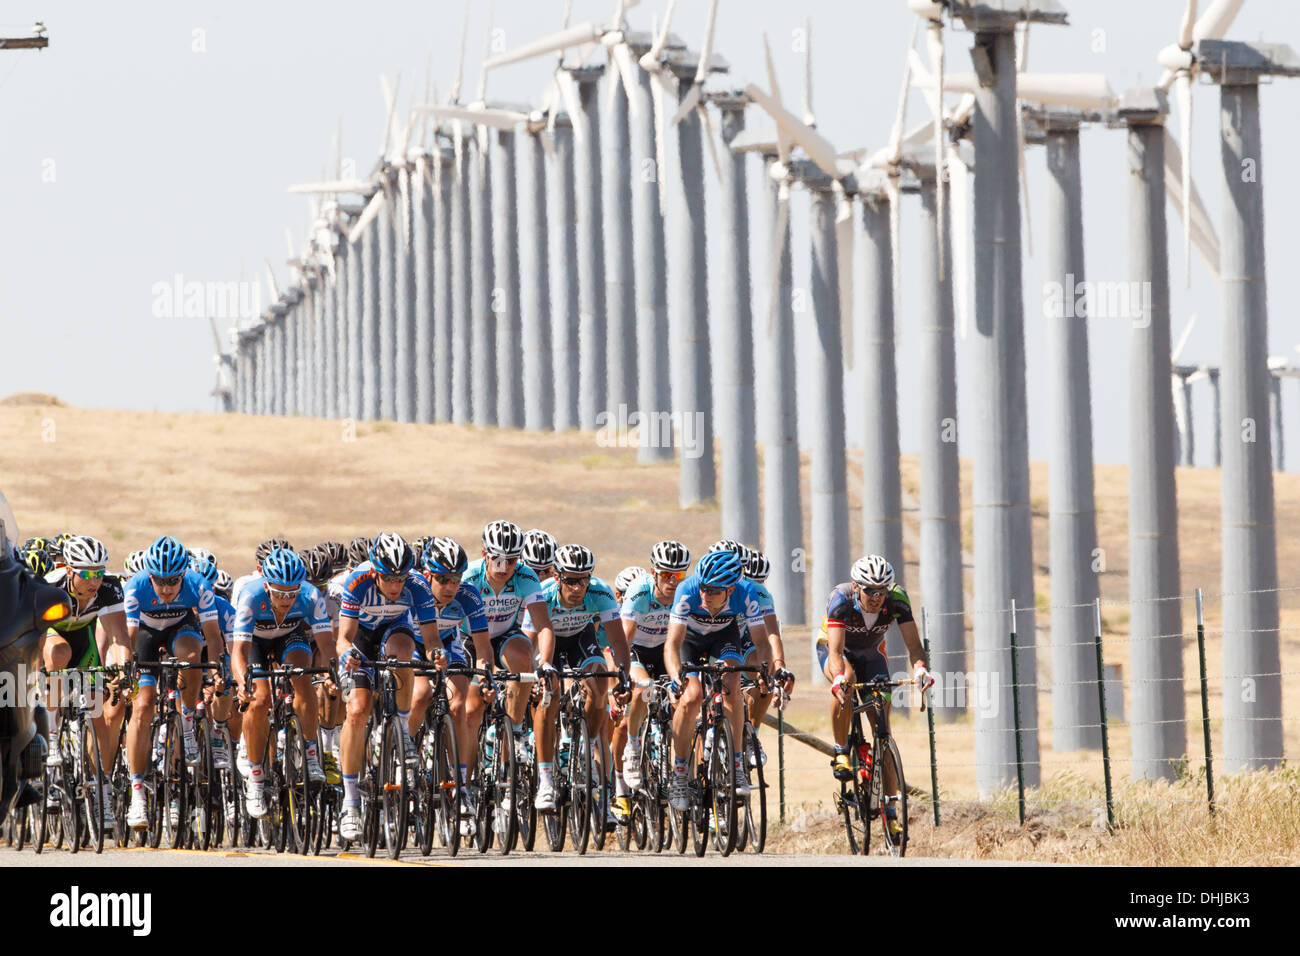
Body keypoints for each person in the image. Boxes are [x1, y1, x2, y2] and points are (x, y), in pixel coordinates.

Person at [334, 533, 443, 842]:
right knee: (357, 711)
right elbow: (344, 638)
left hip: (395, 631)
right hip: (362, 638)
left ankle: (400, 726)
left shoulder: (418, 585)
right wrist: (349, 655)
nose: (396, 586)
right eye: (389, 579)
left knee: (404, 653)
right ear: (375, 573)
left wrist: (437, 653)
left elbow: (431, 637)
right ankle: (351, 801)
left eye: (401, 579)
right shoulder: (358, 582)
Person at [821, 555, 932, 838]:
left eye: (882, 590)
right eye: (870, 590)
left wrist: (920, 670)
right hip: (838, 652)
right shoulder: (841, 599)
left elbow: (915, 647)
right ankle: (841, 749)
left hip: (871, 655)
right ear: (857, 587)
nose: (877, 597)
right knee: (848, 682)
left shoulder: (897, 600)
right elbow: (835, 652)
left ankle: (891, 810)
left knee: (884, 729)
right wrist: (837, 679)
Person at [123, 535, 225, 830]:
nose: (167, 589)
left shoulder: (198, 585)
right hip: (145, 633)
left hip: (181, 628)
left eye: (173, 581)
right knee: (142, 707)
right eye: (160, 582)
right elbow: (129, 640)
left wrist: (217, 670)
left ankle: (188, 720)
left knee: (193, 655)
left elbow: (213, 636)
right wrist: (127, 672)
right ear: (150, 576)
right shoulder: (135, 587)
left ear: (184, 575)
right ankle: (137, 793)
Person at [523, 543, 630, 811]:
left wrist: (624, 677)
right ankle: (546, 779)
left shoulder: (600, 592)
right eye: (571, 581)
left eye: (583, 580)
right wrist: (534, 676)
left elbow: (618, 641)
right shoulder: (542, 594)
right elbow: (528, 642)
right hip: (548, 643)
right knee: (551, 696)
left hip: (581, 639)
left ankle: (589, 745)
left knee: (599, 684)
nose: (577, 588)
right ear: (557, 577)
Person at [230, 548, 333, 818]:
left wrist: (333, 673)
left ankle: (310, 754)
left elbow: (326, 646)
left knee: (303, 675)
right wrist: (242, 683)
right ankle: (255, 777)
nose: (286, 599)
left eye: (291, 593)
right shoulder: (251, 596)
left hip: (290, 636)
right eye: (279, 593)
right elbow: (238, 652)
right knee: (260, 698)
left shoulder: (310, 595)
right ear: (267, 586)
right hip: (255, 643)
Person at [663, 549, 767, 811]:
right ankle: (679, 771)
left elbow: (761, 640)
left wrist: (765, 670)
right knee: (692, 697)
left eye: (713, 591)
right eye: (703, 588)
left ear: (730, 590)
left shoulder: (746, 592)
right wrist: (676, 675)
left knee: (732, 683)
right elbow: (672, 644)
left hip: (723, 637)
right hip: (690, 641)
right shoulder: (688, 589)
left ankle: (737, 765)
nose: (705, 595)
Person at [39, 535, 131, 830]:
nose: (95, 580)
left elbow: (119, 637)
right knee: (59, 655)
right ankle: (52, 739)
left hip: (83, 638)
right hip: (50, 634)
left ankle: (100, 785)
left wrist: (122, 670)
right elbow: (35, 636)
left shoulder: (109, 588)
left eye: (100, 572)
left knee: (96, 709)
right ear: (69, 571)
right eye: (88, 574)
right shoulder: (49, 587)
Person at [462, 520, 554, 786]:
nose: (504, 568)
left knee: (523, 654)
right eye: (497, 560)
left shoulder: (526, 577)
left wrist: (545, 663)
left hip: (503, 634)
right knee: (471, 711)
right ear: (484, 555)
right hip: (469, 638)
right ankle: (464, 786)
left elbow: (544, 625)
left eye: (511, 561)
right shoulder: (469, 577)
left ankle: (513, 732)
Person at [617, 540, 690, 806]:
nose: (672, 581)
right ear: (653, 572)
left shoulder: (685, 594)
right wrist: (622, 677)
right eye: (665, 575)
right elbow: (624, 639)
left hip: (666, 653)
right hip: (638, 651)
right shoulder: (640, 591)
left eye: (679, 575)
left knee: (683, 697)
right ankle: (633, 746)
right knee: (644, 687)